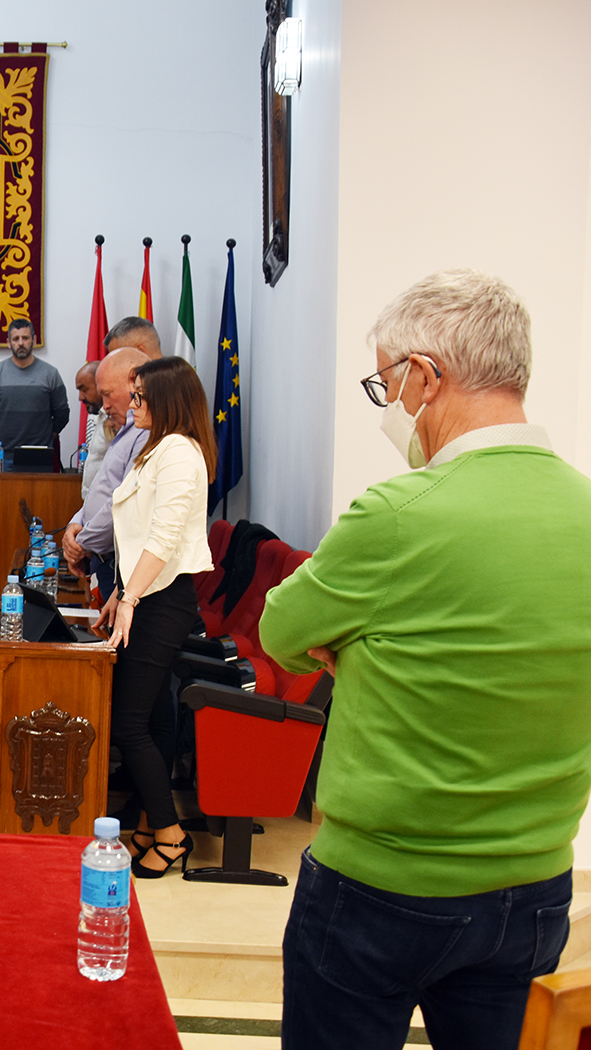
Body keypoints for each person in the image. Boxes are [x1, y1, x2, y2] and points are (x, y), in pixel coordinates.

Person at [258, 270, 591, 1050]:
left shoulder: (397, 514)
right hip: (535, 887)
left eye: (385, 384)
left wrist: (352, 646)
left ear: (424, 376)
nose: (387, 405)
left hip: (380, 886)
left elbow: (279, 632)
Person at [95, 355, 215, 879]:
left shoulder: (180, 454)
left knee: (128, 721)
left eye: (140, 397)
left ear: (166, 400)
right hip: (146, 594)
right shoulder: (156, 448)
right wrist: (120, 591)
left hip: (162, 603)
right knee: (152, 717)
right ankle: (149, 824)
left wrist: (130, 599)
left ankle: (170, 833)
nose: (132, 404)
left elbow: (163, 540)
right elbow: (137, 534)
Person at [62, 347, 152, 599]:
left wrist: (80, 542)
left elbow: (122, 501)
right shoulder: (126, 429)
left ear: (134, 383)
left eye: (108, 394)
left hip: (118, 560)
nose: (105, 405)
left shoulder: (146, 432)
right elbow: (100, 488)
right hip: (104, 558)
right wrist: (75, 524)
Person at [0, 319, 71, 465]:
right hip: (3, 455)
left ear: (34, 340)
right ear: (9, 342)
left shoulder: (50, 374)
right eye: (16, 339)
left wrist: (47, 435)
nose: (20, 343)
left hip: (40, 453)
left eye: (25, 338)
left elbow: (62, 413)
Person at [75, 361, 106, 491]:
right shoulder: (95, 416)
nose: (80, 397)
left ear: (101, 384)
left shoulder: (118, 419)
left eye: (84, 390)